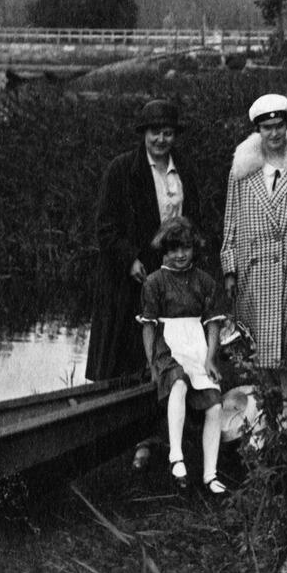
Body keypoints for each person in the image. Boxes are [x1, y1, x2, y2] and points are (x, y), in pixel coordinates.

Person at [84, 98, 203, 470]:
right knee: (133, 355)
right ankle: (130, 440)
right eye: (155, 132)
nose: (161, 139)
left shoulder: (184, 170)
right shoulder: (122, 170)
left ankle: (166, 435)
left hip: (173, 277)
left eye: (168, 132)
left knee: (171, 353)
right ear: (144, 134)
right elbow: (106, 227)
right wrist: (130, 258)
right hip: (130, 279)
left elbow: (194, 219)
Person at [221, 93, 287, 425]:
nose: (274, 134)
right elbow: (231, 222)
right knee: (258, 346)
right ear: (258, 130)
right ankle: (264, 414)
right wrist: (229, 267)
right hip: (253, 269)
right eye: (267, 127)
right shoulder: (241, 168)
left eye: (279, 126)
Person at [138, 217, 228, 495]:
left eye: (185, 248)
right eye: (173, 249)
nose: (180, 255)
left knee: (214, 404)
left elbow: (213, 323)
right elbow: (149, 328)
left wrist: (211, 358)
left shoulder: (204, 281)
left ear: (193, 249)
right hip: (168, 346)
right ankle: (176, 457)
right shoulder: (154, 282)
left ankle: (210, 474)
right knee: (177, 382)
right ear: (164, 250)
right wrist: (153, 363)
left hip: (196, 346)